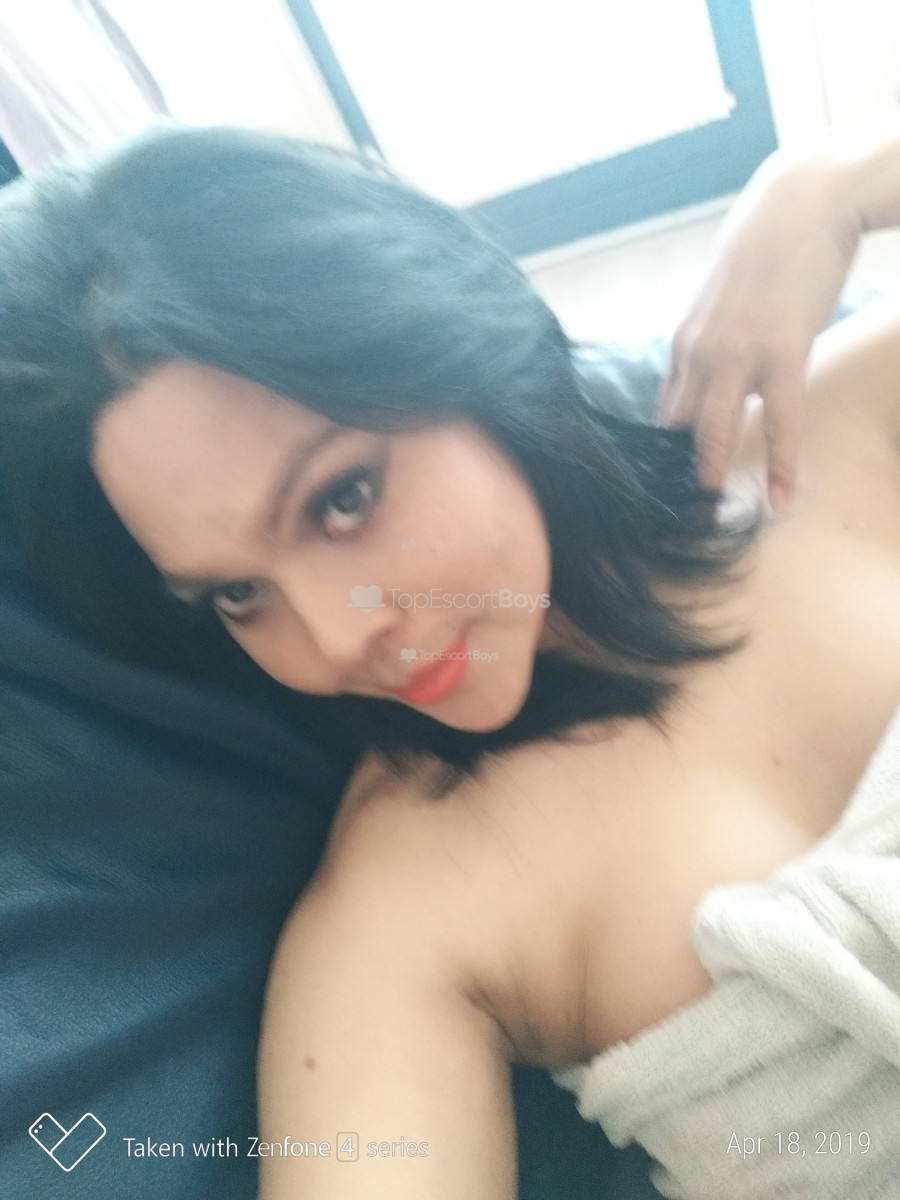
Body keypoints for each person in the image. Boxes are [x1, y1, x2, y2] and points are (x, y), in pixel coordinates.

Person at [1, 122, 898, 1200]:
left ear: (461, 342)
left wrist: (833, 186)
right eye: (238, 595)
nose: (335, 638)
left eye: (343, 498)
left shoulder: (850, 425)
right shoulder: (400, 920)